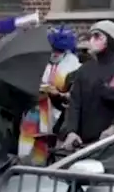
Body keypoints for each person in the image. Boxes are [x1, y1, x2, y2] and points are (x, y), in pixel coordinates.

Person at [58, 20, 114, 150]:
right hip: (84, 142)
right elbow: (75, 103)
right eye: (91, 36)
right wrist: (71, 131)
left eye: (97, 36)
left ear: (110, 39)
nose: (92, 40)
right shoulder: (84, 70)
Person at [18, 27, 82, 164]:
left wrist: (59, 94)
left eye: (59, 50)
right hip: (36, 109)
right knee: (30, 142)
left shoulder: (73, 65)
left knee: (49, 144)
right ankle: (29, 163)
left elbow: (75, 94)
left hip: (58, 114)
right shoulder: (41, 60)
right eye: (53, 49)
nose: (55, 53)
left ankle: (44, 165)